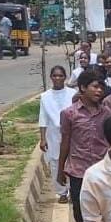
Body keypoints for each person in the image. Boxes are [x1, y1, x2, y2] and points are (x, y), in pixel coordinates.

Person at [57, 71, 111, 222]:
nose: (99, 91)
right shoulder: (69, 113)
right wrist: (60, 169)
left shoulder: (106, 113)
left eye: (101, 87)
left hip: (102, 170)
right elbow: (65, 141)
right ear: (82, 88)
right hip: (78, 170)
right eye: (95, 86)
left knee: (102, 209)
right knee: (80, 209)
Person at [39, 66, 76, 204]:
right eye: (55, 76)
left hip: (71, 134)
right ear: (51, 77)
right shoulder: (45, 97)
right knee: (55, 162)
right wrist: (43, 139)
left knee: (72, 162)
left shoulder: (73, 94)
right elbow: (43, 118)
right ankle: (61, 192)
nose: (57, 78)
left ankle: (73, 190)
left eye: (60, 76)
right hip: (54, 134)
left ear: (65, 77)